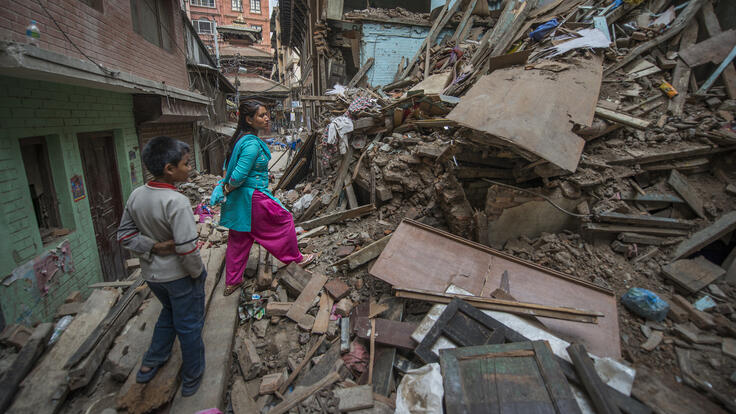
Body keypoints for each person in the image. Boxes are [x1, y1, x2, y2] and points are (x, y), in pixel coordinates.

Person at [116, 136, 206, 397]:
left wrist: (150, 247)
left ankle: (150, 362)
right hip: (178, 275)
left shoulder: (137, 195)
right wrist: (197, 273)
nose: (190, 169)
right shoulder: (176, 202)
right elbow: (187, 248)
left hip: (153, 276)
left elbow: (123, 235)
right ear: (169, 169)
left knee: (168, 313)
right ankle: (192, 376)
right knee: (189, 325)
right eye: (186, 164)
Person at [211, 100, 314, 296]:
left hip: (239, 200)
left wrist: (231, 189)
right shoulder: (251, 144)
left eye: (267, 114)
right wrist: (227, 187)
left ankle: (232, 282)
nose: (267, 118)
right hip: (252, 197)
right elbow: (238, 176)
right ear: (249, 119)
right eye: (261, 115)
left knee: (239, 239)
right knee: (284, 219)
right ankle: (295, 257)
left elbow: (229, 167)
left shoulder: (239, 139)